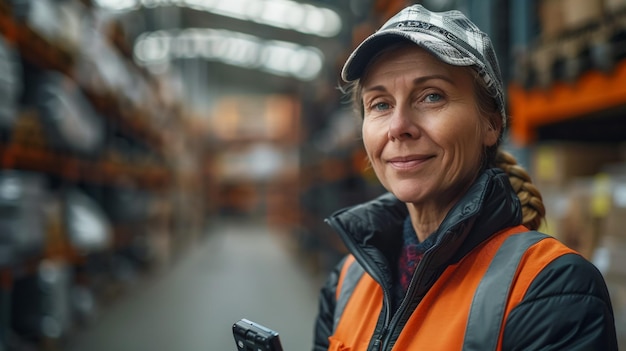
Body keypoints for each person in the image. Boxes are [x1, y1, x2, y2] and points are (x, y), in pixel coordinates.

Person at [312, 4, 618, 351]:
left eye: (431, 96)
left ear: (491, 124)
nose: (398, 127)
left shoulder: (550, 288)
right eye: (380, 104)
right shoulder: (346, 282)